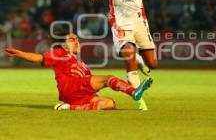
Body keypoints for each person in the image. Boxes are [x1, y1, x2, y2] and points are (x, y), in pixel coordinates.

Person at [87, 0, 213, 110]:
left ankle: (140, 60)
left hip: (140, 23)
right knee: (129, 51)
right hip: (120, 23)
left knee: (152, 64)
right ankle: (140, 101)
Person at [3, 33, 153, 111]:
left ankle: (70, 107)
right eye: (72, 39)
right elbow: (39, 58)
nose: (76, 41)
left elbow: (89, 83)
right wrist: (19, 53)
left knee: (109, 103)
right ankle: (134, 93)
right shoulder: (60, 53)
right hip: (70, 87)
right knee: (108, 78)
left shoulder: (83, 65)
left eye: (77, 39)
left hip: (77, 95)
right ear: (64, 45)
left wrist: (94, 97)